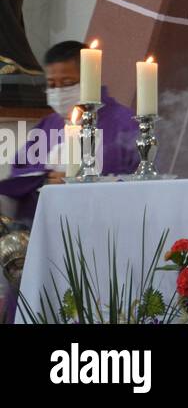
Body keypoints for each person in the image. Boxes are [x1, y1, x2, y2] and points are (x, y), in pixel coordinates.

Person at [0, 40, 139, 323]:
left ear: (90, 79)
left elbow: (142, 183)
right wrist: (41, 179)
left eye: (67, 82)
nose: (59, 92)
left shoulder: (125, 123)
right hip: (41, 238)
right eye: (53, 84)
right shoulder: (49, 124)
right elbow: (20, 171)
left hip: (98, 242)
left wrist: (83, 183)